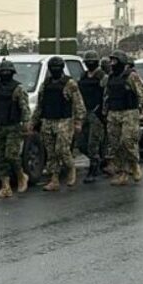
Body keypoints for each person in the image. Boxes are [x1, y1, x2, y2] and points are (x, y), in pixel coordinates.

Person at [28, 56, 85, 192]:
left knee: (62, 149)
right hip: (47, 121)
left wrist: (78, 121)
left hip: (64, 121)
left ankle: (71, 168)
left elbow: (78, 104)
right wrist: (33, 122)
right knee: (51, 152)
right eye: (52, 67)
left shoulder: (70, 84)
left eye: (57, 67)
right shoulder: (45, 84)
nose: (55, 70)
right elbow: (40, 106)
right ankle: (54, 179)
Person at [103, 51, 143, 186]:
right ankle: (122, 172)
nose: (112, 64)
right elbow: (107, 95)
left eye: (115, 61)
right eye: (110, 61)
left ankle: (134, 164)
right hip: (113, 113)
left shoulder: (131, 76)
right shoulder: (110, 77)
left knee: (127, 140)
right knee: (115, 144)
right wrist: (105, 110)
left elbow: (142, 93)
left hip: (129, 112)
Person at [0, 59, 31, 198]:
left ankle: (21, 176)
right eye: (3, 72)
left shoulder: (18, 88)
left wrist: (26, 123)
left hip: (13, 126)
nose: (5, 73)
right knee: (0, 157)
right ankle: (5, 187)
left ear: (12, 73)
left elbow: (24, 107)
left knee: (11, 155)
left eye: (8, 72)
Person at [78, 50, 107, 183]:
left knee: (93, 143)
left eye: (92, 62)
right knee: (81, 143)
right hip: (84, 112)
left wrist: (101, 111)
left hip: (97, 114)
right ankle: (99, 160)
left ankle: (93, 168)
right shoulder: (83, 76)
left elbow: (106, 96)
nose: (90, 64)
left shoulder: (102, 76)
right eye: (87, 62)